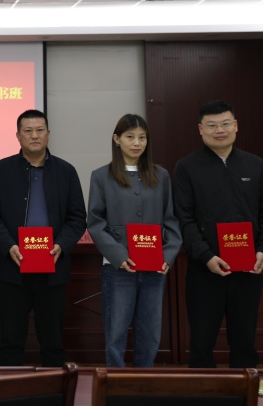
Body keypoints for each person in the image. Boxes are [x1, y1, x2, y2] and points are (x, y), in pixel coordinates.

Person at [173, 100, 263, 368]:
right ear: (201, 129)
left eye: (225, 124)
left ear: (236, 126)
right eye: (212, 125)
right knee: (201, 343)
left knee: (245, 342)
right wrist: (206, 256)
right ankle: (203, 389)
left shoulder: (254, 165)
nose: (219, 130)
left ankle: (245, 389)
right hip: (205, 269)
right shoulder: (186, 167)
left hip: (248, 269)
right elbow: (184, 218)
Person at [0, 109, 86, 367]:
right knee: (11, 341)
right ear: (18, 136)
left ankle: (55, 388)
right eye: (28, 131)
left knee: (52, 342)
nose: (34, 136)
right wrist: (8, 245)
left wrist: (61, 245)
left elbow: (77, 217)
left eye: (39, 130)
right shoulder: (1, 169)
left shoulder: (66, 171)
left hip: (53, 267)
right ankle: (12, 388)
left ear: (48, 134)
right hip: (12, 267)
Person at [87, 114, 182, 367]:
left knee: (150, 333)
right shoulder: (101, 176)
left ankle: (143, 381)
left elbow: (171, 220)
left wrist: (167, 256)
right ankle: (115, 383)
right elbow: (95, 223)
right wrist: (119, 256)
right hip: (118, 268)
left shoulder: (161, 175)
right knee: (116, 333)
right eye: (130, 137)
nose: (137, 143)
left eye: (142, 137)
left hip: (154, 268)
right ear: (117, 139)